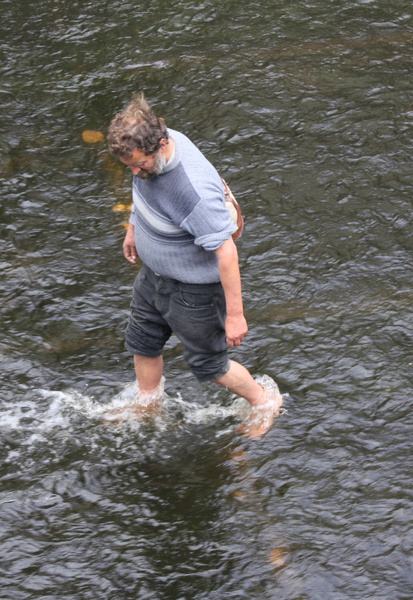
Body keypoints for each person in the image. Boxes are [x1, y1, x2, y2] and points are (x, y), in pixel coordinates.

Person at [106, 93, 283, 438]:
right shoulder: (146, 155)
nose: (135, 171)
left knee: (209, 365)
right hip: (154, 276)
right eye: (129, 166)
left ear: (160, 144)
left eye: (140, 164)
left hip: (194, 291)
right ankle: (147, 405)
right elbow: (142, 192)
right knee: (142, 342)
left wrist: (235, 316)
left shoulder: (192, 191)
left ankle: (264, 402)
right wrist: (134, 230)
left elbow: (226, 253)